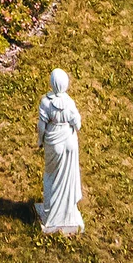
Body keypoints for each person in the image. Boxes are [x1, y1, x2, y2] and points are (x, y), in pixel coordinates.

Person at [35, 67, 84, 234]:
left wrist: (40, 140)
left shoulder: (46, 102)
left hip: (54, 141)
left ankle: (50, 215)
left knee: (51, 177)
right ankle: (67, 213)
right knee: (68, 178)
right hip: (70, 142)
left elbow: (42, 126)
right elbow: (77, 124)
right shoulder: (70, 103)